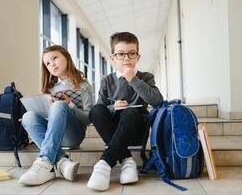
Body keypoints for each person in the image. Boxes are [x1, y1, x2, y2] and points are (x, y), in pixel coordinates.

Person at [87, 32, 163, 191]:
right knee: (96, 110)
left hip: (136, 130)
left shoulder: (146, 77)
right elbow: (100, 110)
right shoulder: (107, 80)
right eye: (121, 54)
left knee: (130, 112)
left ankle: (105, 164)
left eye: (131, 53)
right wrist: (113, 107)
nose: (127, 58)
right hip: (113, 131)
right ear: (113, 58)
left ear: (138, 57)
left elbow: (157, 101)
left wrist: (133, 79)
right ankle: (127, 160)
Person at [19, 45, 93, 185]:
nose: (51, 64)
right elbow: (50, 118)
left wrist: (70, 105)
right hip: (54, 135)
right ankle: (61, 162)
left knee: (59, 105)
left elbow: (88, 119)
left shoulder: (83, 85)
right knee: (28, 116)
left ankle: (45, 163)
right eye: (47, 63)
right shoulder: (50, 88)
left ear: (66, 57)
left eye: (55, 58)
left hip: (73, 135)